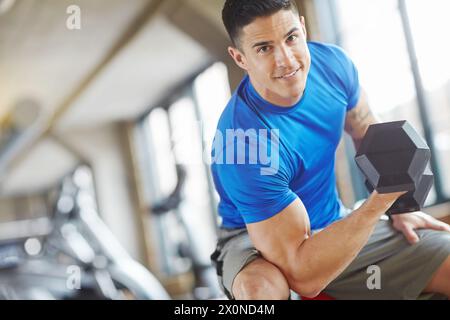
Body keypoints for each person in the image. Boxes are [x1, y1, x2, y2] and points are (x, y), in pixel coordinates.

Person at [210, 0, 450, 300]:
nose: (286, 60)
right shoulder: (243, 145)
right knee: (262, 292)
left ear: (302, 27)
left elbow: (369, 134)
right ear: (240, 58)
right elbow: (304, 277)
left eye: (291, 38)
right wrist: (380, 203)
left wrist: (402, 209)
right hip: (254, 239)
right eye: (264, 48)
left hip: (331, 220)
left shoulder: (333, 67)